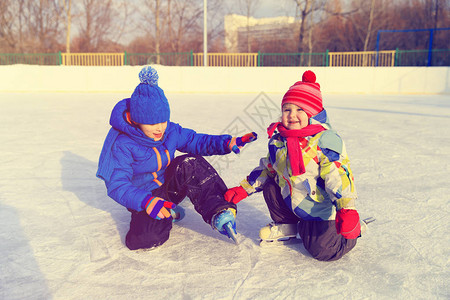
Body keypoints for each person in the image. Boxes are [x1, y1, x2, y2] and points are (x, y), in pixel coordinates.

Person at [96, 66, 257, 250]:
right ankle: (169, 212)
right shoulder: (122, 143)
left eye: (163, 121)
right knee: (144, 240)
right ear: (137, 120)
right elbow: (117, 184)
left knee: (190, 163)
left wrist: (227, 143)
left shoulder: (169, 130)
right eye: (151, 123)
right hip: (145, 196)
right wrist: (145, 201)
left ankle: (219, 210)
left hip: (169, 186)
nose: (159, 128)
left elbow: (196, 141)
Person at [224, 70, 362, 261]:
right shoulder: (278, 140)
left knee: (323, 251)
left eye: (299, 110)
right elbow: (267, 168)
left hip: (319, 210)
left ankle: (352, 232)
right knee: (271, 184)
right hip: (294, 202)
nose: (292, 115)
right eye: (287, 110)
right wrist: (243, 189)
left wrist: (346, 209)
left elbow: (338, 175)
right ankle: (288, 224)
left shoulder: (325, 141)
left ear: (312, 113)